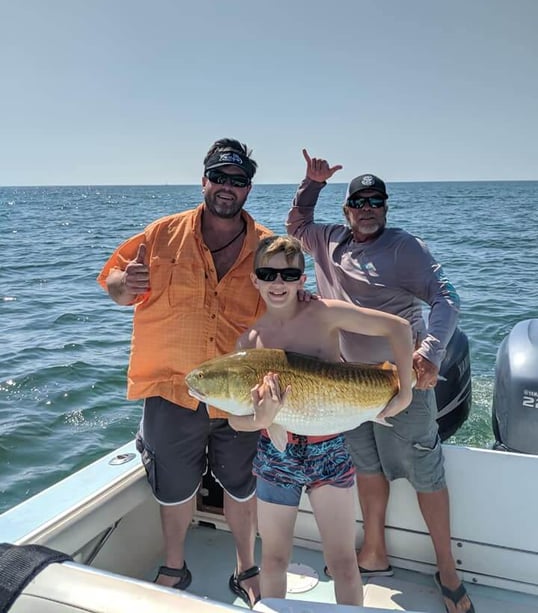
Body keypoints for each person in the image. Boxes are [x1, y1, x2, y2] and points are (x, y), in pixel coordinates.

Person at [286, 150, 475, 613]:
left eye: (376, 201)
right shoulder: (327, 240)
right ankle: (374, 552)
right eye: (359, 201)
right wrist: (312, 184)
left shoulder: (404, 248)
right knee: (364, 464)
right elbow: (295, 225)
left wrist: (430, 353)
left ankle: (447, 569)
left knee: (426, 470)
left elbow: (447, 299)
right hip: (346, 381)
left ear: (385, 208)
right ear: (347, 209)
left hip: (400, 381)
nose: (367, 208)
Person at [97, 139, 273, 608]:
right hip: (172, 387)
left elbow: (291, 310)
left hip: (240, 394)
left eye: (238, 181)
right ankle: (175, 564)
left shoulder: (268, 247)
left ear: (249, 188)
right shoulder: (159, 234)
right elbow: (113, 283)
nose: (227, 188)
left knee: (241, 483)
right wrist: (124, 284)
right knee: (174, 489)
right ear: (203, 180)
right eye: (219, 177)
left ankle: (245, 565)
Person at [228, 234, 414, 607]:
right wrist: (260, 418)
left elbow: (399, 329)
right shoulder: (248, 342)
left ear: (302, 279)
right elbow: (237, 422)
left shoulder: (324, 313)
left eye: (287, 275)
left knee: (343, 562)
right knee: (274, 560)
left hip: (328, 451)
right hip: (275, 456)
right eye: (268, 274)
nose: (278, 283)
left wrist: (405, 391)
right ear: (255, 280)